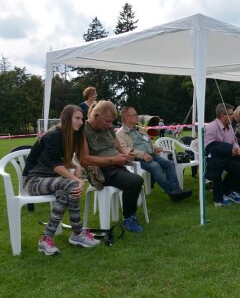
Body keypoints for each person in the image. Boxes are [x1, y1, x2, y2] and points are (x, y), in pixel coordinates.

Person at [23, 105, 100, 256]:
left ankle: (47, 239)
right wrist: (78, 180)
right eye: (77, 118)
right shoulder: (52, 135)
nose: (81, 122)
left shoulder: (69, 134)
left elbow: (62, 160)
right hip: (32, 181)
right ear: (66, 118)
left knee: (66, 193)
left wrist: (75, 166)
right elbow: (56, 166)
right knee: (72, 184)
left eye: (82, 119)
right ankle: (77, 233)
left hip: (49, 180)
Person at [79, 100, 144, 232]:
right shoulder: (82, 130)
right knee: (135, 181)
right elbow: (84, 160)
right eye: (107, 121)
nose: (109, 125)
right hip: (101, 171)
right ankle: (129, 218)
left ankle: (129, 216)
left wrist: (126, 154)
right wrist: (113, 160)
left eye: (111, 122)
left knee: (135, 180)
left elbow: (118, 147)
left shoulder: (108, 128)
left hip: (116, 166)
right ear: (95, 116)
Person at [116, 107, 192, 201]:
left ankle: (176, 190)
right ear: (126, 118)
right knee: (155, 166)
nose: (137, 116)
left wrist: (155, 148)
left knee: (170, 164)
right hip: (138, 159)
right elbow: (125, 149)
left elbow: (148, 141)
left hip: (151, 155)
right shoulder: (120, 133)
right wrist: (142, 154)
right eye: (135, 114)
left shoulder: (140, 129)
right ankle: (172, 192)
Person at [204, 103, 240, 207]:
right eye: (230, 114)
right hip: (214, 158)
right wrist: (229, 149)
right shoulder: (211, 127)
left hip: (228, 156)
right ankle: (220, 195)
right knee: (224, 168)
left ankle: (227, 190)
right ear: (222, 115)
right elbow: (208, 147)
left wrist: (237, 148)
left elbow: (234, 141)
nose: (233, 116)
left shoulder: (230, 126)